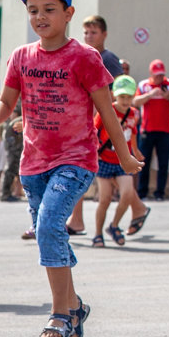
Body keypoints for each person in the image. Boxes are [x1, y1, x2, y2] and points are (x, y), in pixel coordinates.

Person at [0, 0, 140, 337]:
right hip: (33, 165)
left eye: (49, 9)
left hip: (76, 159)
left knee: (50, 225)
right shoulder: (20, 56)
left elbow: (107, 111)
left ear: (68, 14)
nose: (40, 16)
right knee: (49, 236)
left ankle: (60, 314)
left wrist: (125, 156)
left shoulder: (85, 57)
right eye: (33, 10)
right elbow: (6, 104)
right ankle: (75, 306)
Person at [67, 14, 125, 233]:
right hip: (84, 122)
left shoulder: (107, 58)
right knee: (87, 171)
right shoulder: (83, 55)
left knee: (96, 171)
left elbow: (114, 96)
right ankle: (76, 219)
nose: (89, 36)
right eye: (86, 32)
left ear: (104, 35)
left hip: (99, 124)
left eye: (94, 33)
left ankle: (136, 207)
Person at [91, 75, 146, 247]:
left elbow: (133, 133)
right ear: (115, 95)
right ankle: (98, 234)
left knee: (128, 193)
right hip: (104, 159)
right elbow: (94, 130)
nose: (126, 100)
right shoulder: (107, 111)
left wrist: (135, 152)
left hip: (123, 160)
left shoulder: (134, 113)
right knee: (105, 199)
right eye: (122, 97)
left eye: (129, 97)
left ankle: (114, 225)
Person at [134, 59, 169, 201]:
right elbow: (135, 102)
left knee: (163, 162)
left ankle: (160, 192)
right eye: (156, 75)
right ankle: (142, 191)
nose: (159, 78)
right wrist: (150, 95)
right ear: (151, 73)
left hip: (165, 130)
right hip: (147, 129)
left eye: (161, 75)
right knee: (144, 162)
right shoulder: (144, 85)